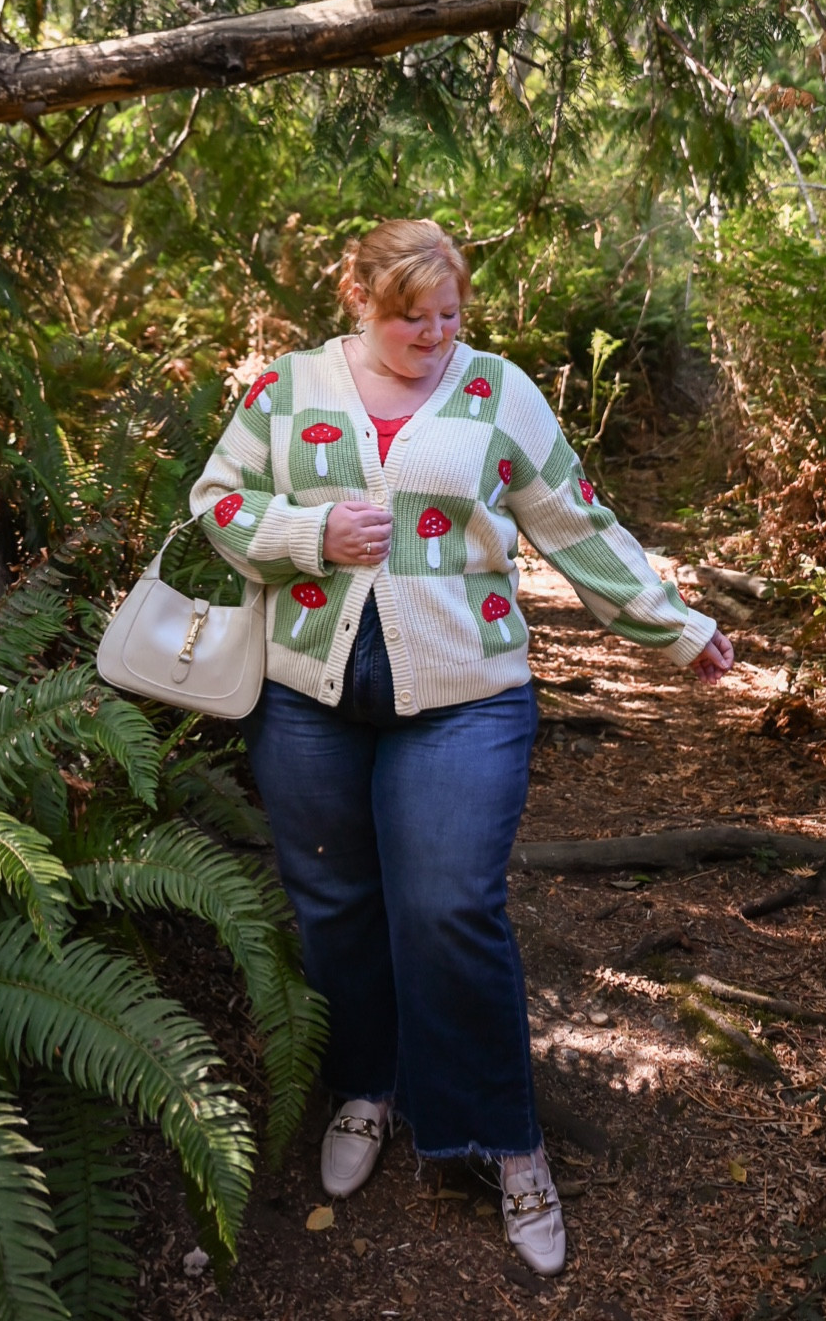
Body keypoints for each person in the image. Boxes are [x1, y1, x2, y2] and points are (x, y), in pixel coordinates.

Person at [190, 219, 733, 1277]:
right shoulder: (287, 391)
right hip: (309, 694)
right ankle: (367, 1083)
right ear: (359, 299)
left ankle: (504, 1136)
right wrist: (307, 536)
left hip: (466, 694)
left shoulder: (497, 393)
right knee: (334, 904)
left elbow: (576, 523)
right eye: (411, 320)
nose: (435, 337)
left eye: (449, 317)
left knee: (447, 906)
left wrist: (679, 629)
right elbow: (214, 502)